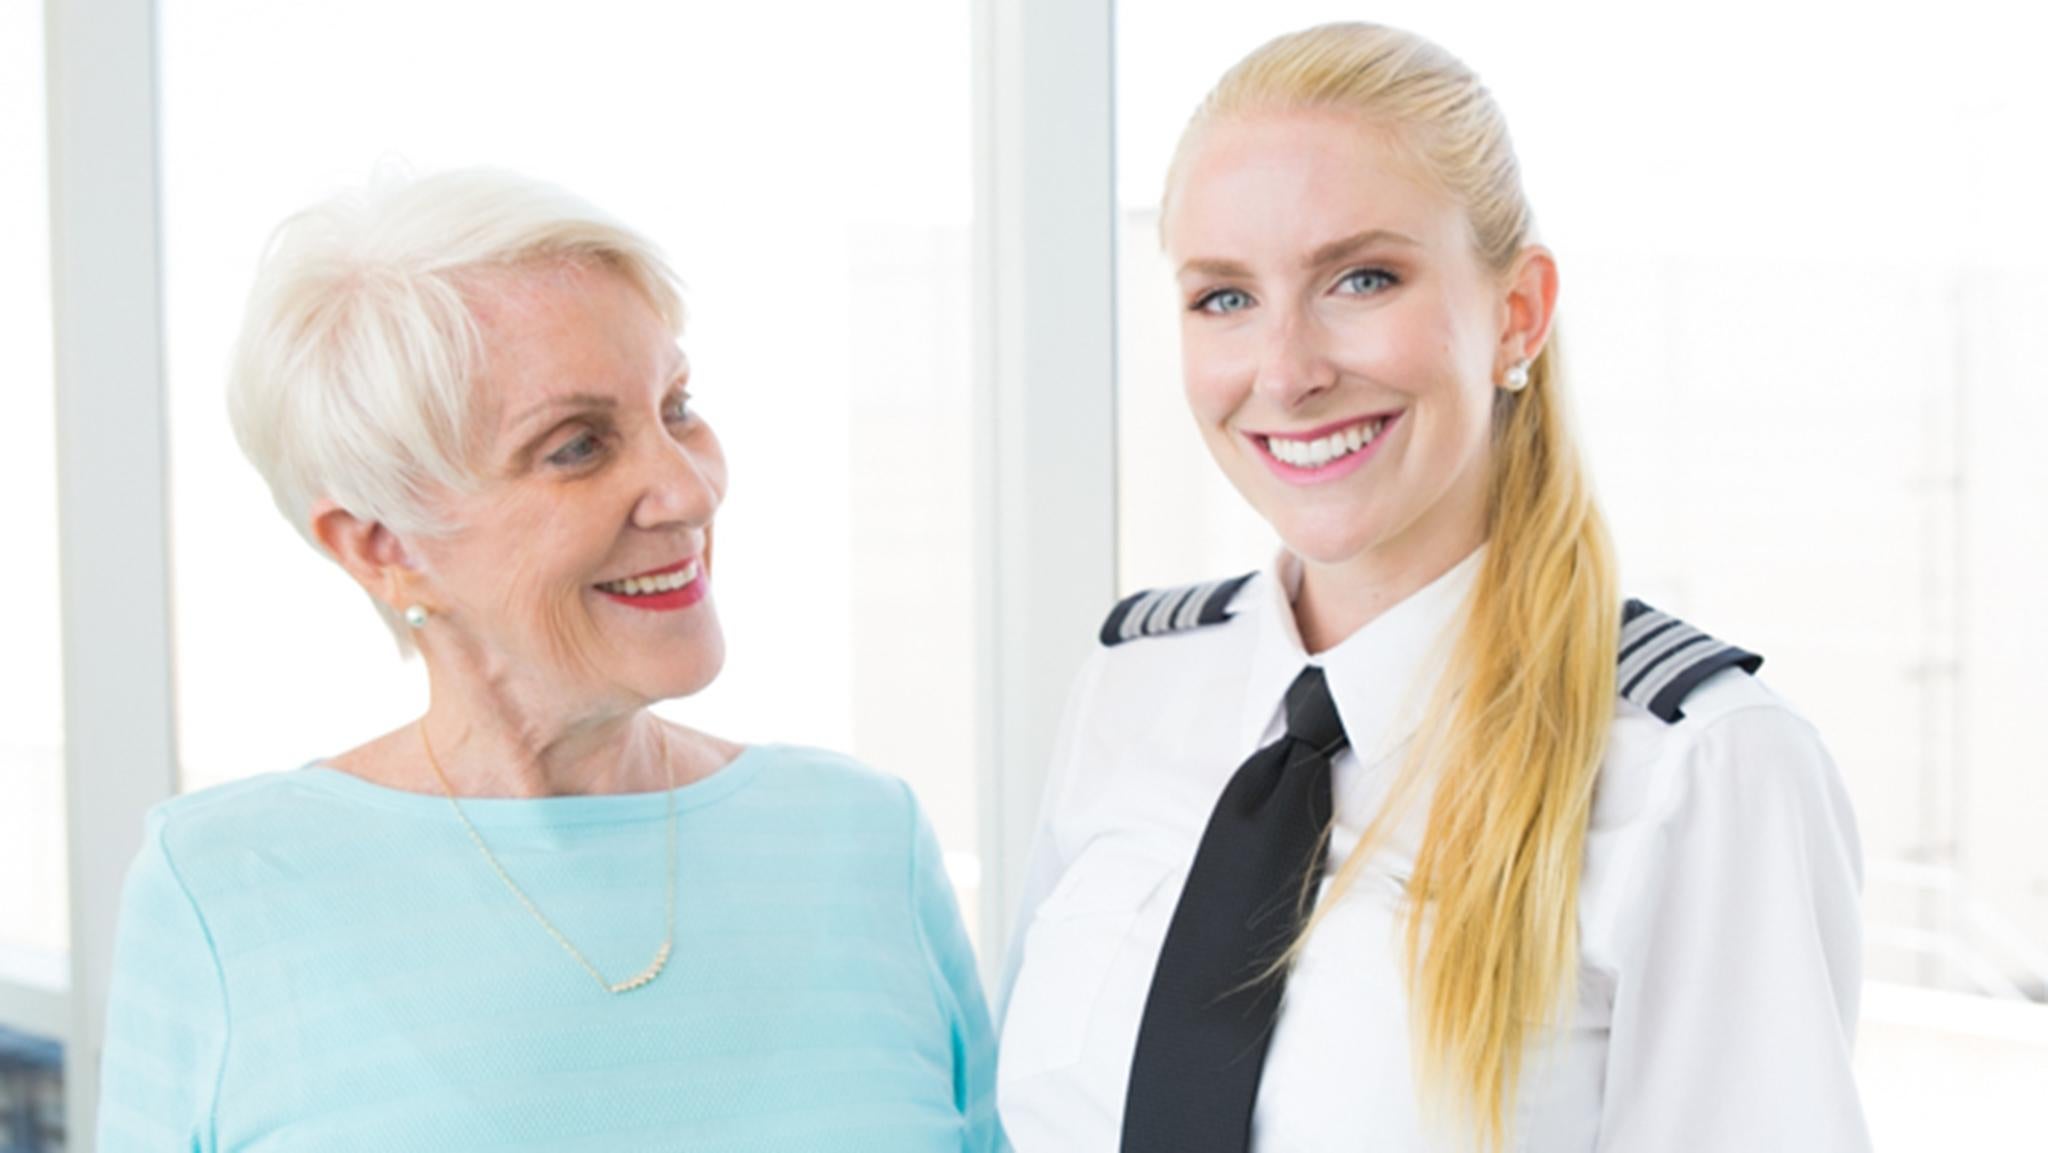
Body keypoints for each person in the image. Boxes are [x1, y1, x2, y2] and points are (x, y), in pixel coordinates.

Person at [997, 22, 1866, 1153]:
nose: (1285, 370)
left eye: (1361, 278)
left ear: (1517, 313)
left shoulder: (1690, 768)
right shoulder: (1134, 684)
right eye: (1222, 297)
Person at [96, 168, 998, 1152]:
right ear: (380, 545)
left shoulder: (863, 841)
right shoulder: (223, 887)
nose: (685, 488)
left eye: (678, 405)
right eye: (576, 447)